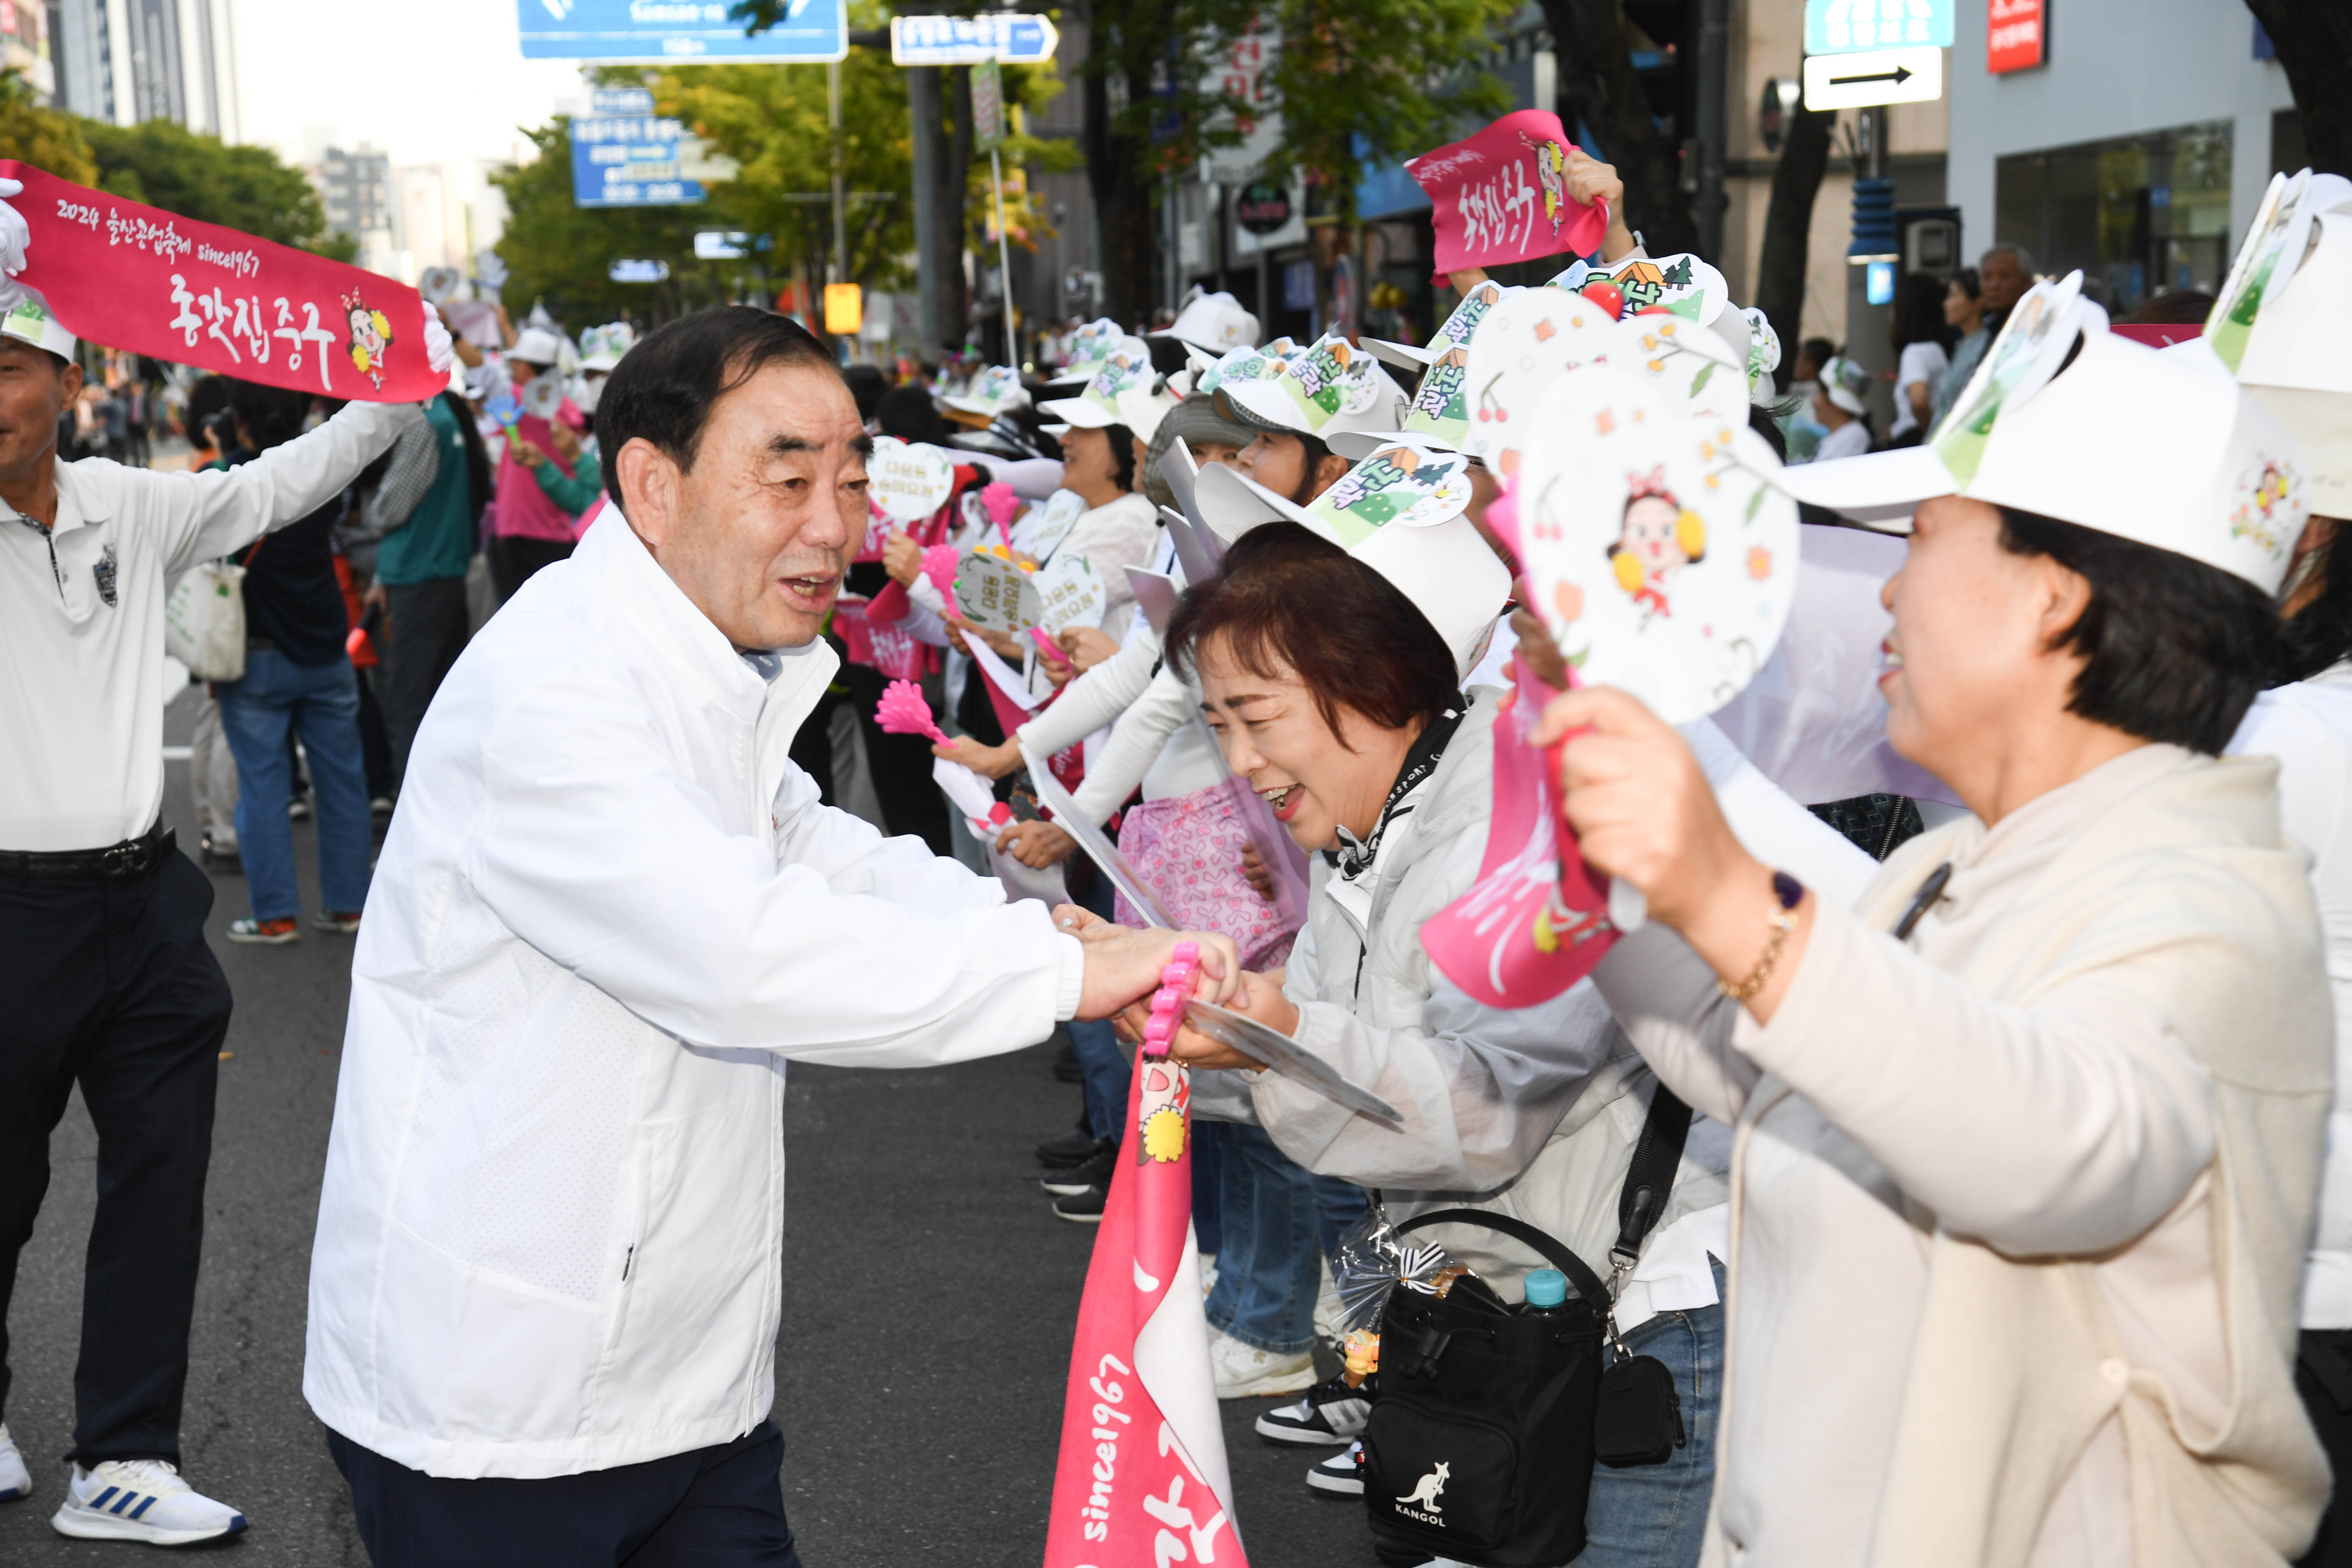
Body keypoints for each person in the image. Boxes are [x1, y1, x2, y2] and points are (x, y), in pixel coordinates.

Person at [302, 308, 1238, 1568]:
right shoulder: (554, 693)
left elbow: (818, 853)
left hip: (687, 1384)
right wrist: (1064, 971)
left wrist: (1044, 923)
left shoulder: (708, 668)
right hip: (500, 1407)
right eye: (788, 476)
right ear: (651, 482)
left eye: (847, 477)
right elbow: (740, 947)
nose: (834, 523)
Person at [1589, 305, 2329, 1561]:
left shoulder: (2212, 903)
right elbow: (1765, 1064)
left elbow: (2061, 1142)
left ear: (2048, 599)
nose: (1881, 584)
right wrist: (1596, 868)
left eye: (1921, 538)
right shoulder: (1954, 864)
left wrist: (1723, 891)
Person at [1149, 465, 1840, 1560]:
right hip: (1517, 1307)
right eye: (1217, 724)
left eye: (1257, 718)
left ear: (1373, 677)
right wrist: (1211, 1034)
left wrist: (1264, 1031)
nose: (1240, 763)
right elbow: (1343, 1056)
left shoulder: (1508, 820)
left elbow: (1483, 1111)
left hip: (1646, 1322)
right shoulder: (1372, 833)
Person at [0, 188, 446, 1540]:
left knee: (162, 1174)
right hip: (4, 914)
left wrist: (390, 377)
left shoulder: (128, 504)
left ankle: (123, 1455)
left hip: (143, 906)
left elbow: (273, 485)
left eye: (8, 369)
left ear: (69, 383)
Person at [210, 381, 382, 944]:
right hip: (325, 645)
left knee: (263, 787)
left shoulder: (229, 478)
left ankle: (275, 915)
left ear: (241, 423)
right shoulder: (320, 470)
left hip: (254, 653)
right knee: (343, 782)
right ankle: (350, 905)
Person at [363, 384, 493, 786]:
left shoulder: (424, 424)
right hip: (442, 574)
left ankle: (412, 812)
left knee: (407, 704)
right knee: (442, 702)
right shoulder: (449, 418)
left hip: (419, 579)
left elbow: (388, 509)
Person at [485, 325, 577, 603]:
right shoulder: (567, 407)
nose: (511, 369)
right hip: (555, 531)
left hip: (523, 530)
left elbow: (485, 374)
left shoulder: (523, 401)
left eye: (515, 363)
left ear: (524, 367)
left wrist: (454, 334)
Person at [1887, 272, 1952, 446]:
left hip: (1913, 439)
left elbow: (1919, 401)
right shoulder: (1936, 349)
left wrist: (1929, 433)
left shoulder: (1914, 352)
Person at [1927, 267, 1987, 433]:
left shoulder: (1983, 346)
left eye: (1953, 295)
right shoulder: (1963, 345)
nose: (1946, 304)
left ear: (1977, 302)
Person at [1807, 354, 1873, 462]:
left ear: (1834, 400)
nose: (1814, 401)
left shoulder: (1855, 436)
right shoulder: (1837, 435)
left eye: (1820, 392)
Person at [1976, 241, 2035, 331]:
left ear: (2026, 282)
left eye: (2004, 276)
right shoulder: (1982, 327)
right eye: (1987, 277)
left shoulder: (2034, 326)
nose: (1994, 285)